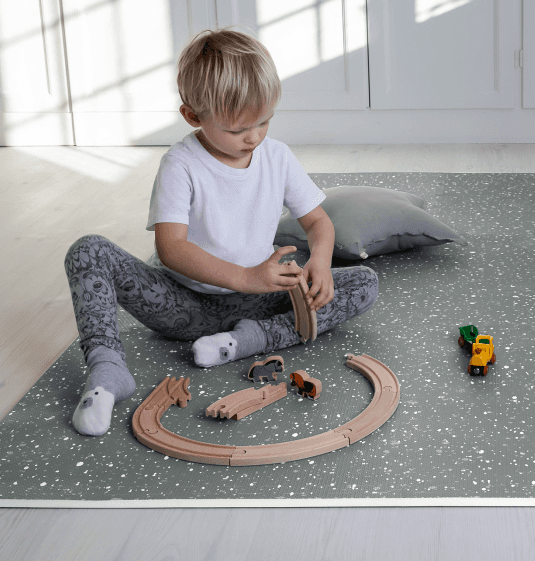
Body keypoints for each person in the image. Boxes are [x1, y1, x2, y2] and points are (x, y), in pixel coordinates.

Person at [64, 27, 379, 436]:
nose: (254, 137)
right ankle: (108, 372)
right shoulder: (181, 164)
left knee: (364, 283)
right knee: (87, 251)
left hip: (261, 302)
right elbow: (171, 247)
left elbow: (318, 221)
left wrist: (319, 260)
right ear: (194, 116)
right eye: (237, 130)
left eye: (264, 121)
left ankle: (247, 341)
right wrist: (245, 277)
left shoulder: (277, 156)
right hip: (184, 305)